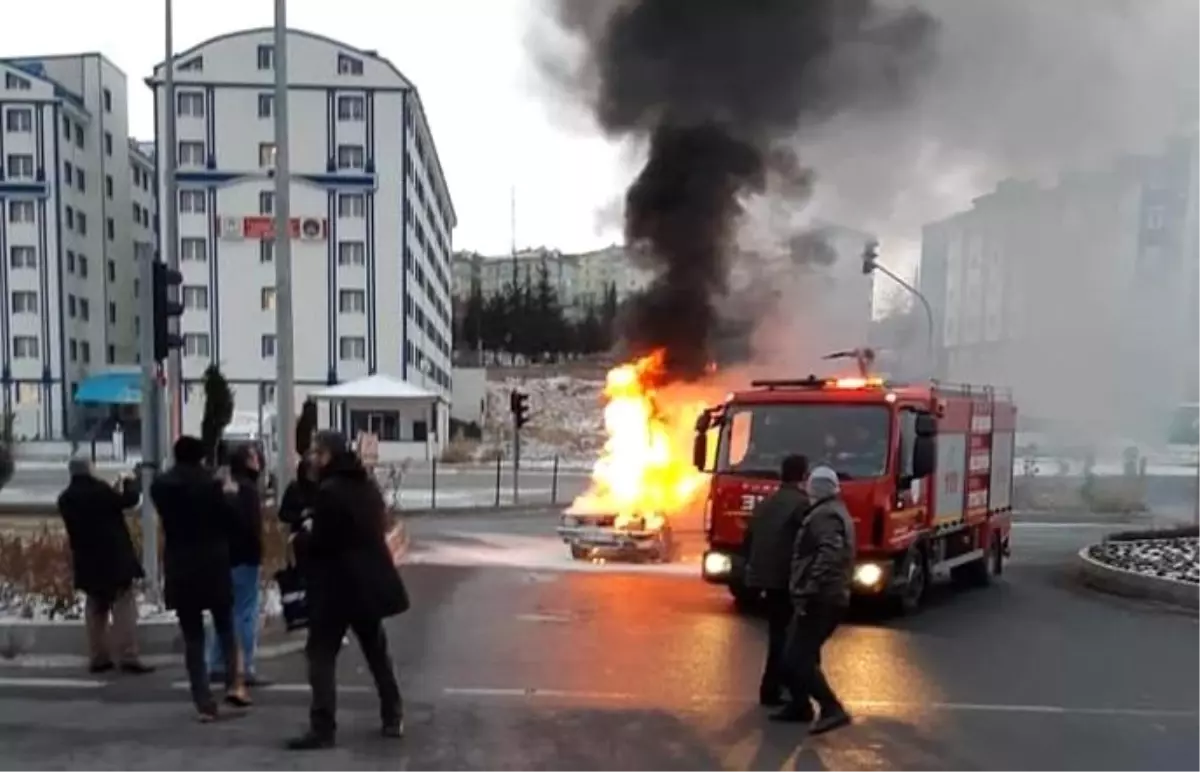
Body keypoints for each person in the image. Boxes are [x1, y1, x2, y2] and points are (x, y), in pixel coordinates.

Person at [287, 430, 408, 751]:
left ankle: (323, 728)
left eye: (316, 452)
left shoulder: (329, 492)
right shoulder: (366, 486)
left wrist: (302, 538)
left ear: (328, 455)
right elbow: (373, 527)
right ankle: (392, 715)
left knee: (321, 655)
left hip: (337, 588)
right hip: (368, 585)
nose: (311, 458)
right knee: (376, 652)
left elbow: (323, 542)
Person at [150, 436, 252, 722]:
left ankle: (203, 700)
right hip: (213, 565)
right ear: (200, 457)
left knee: (193, 636)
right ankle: (234, 684)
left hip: (180, 566)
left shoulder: (161, 486)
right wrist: (231, 494)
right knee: (225, 626)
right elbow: (234, 522)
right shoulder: (211, 486)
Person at [772, 464, 855, 733]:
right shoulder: (832, 511)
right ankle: (800, 706)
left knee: (798, 657)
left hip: (821, 598)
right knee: (796, 654)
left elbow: (829, 555)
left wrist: (810, 587)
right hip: (825, 596)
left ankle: (832, 708)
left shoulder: (825, 516)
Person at [56, 458, 154, 675]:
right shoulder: (99, 490)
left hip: (86, 560)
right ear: (90, 469)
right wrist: (131, 483)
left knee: (95, 607)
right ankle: (128, 655)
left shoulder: (65, 498)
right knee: (124, 604)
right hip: (113, 558)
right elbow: (128, 501)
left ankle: (98, 656)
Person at [743, 454, 809, 707]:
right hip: (787, 579)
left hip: (766, 578)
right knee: (789, 637)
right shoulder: (801, 504)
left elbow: (749, 540)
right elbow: (806, 542)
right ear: (804, 475)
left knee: (777, 633)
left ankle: (771, 688)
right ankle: (781, 689)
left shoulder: (767, 503)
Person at [207, 444, 269, 687]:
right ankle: (244, 666)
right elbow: (250, 527)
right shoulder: (247, 489)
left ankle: (218, 662)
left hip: (222, 557)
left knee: (225, 612)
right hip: (244, 558)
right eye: (254, 456)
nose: (258, 460)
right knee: (245, 613)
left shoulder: (223, 486)